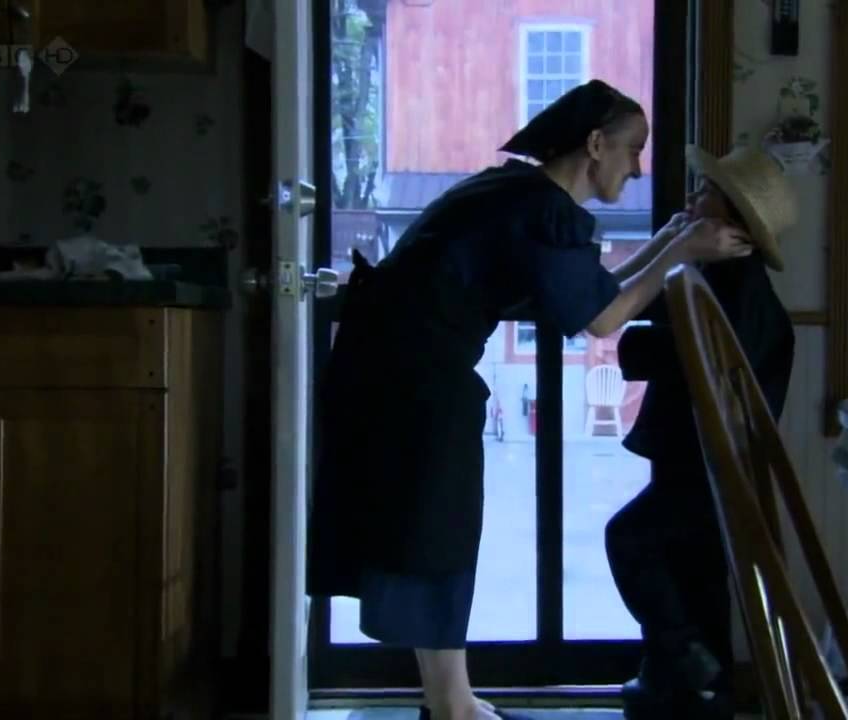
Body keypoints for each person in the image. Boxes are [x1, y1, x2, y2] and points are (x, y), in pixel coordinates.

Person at [306, 80, 754, 720]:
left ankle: (450, 701)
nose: (638, 168)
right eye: (633, 149)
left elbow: (594, 293)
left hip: (392, 367)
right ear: (594, 145)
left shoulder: (518, 194)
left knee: (431, 529)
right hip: (412, 376)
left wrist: (669, 239)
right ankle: (454, 706)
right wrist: (682, 249)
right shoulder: (541, 210)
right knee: (436, 531)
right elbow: (603, 319)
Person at [605, 143, 798, 720]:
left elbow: (655, 349)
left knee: (633, 542)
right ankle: (686, 681)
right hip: (708, 468)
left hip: (712, 471)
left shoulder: (727, 291)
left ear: (733, 218)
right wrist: (673, 242)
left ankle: (691, 667)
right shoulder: (722, 279)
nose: (692, 197)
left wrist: (641, 334)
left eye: (706, 192)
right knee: (693, 572)